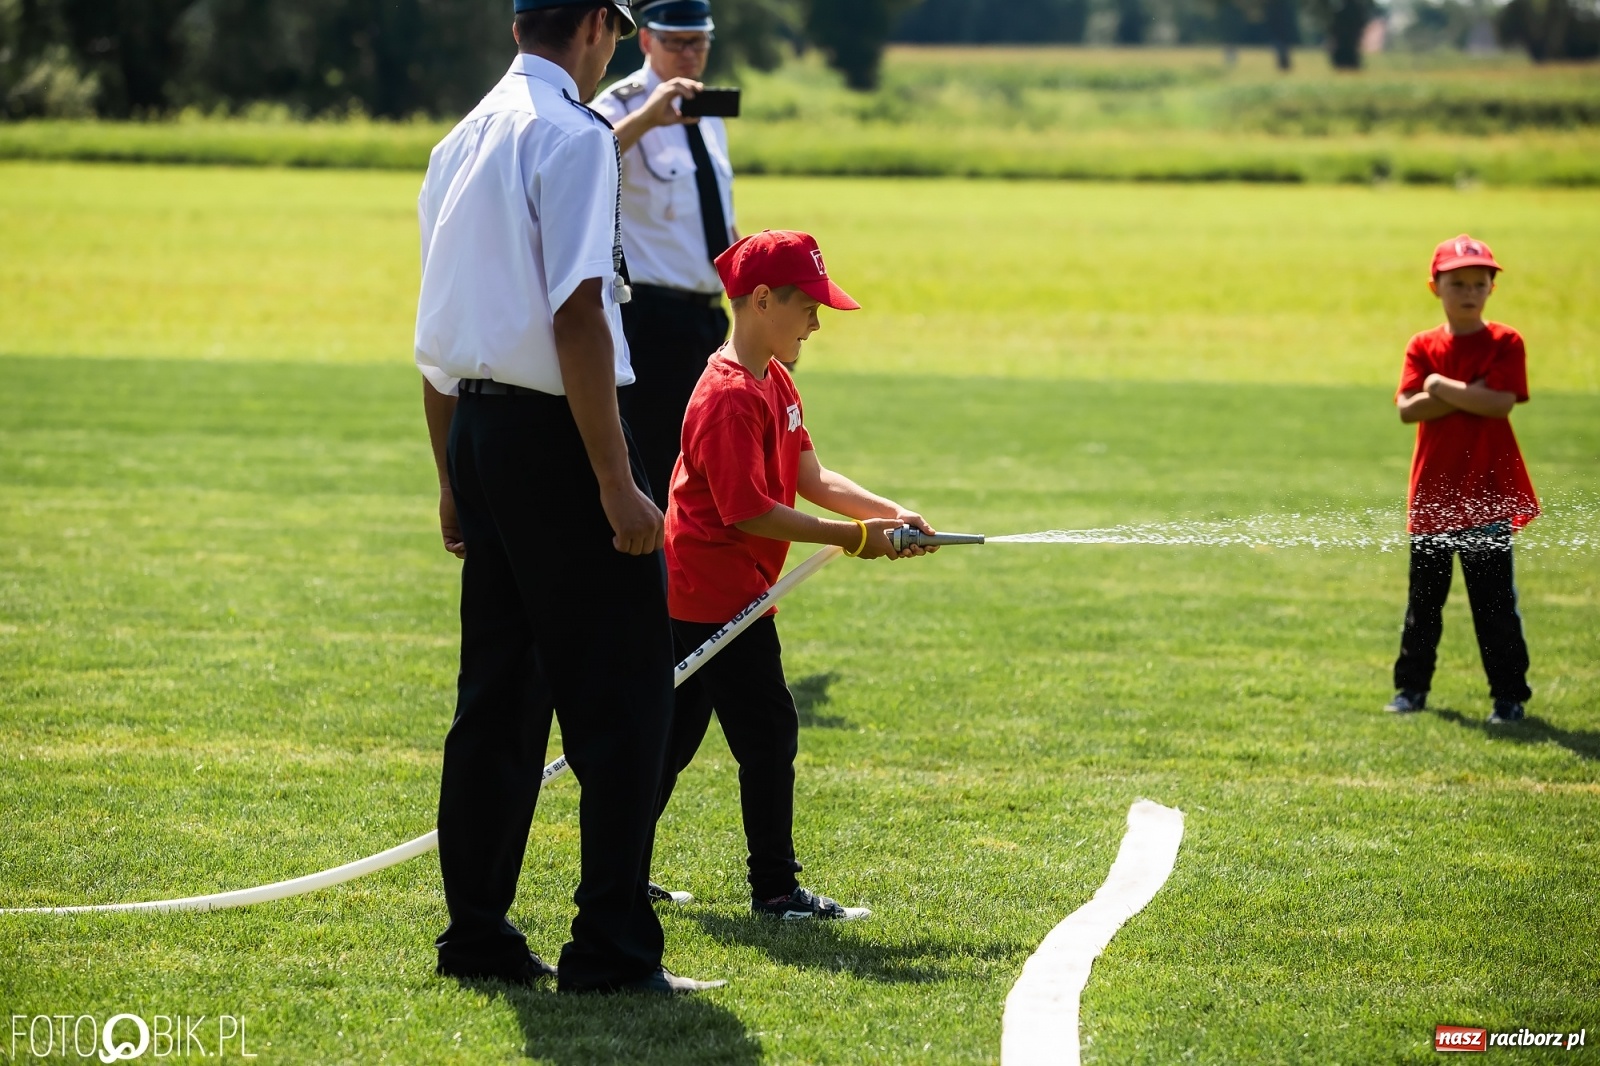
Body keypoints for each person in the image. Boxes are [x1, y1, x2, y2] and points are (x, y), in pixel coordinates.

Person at [415, 0, 721, 994]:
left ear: (518, 27)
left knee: (497, 700)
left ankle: (477, 936)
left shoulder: (459, 140)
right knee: (627, 698)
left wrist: (450, 476)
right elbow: (580, 311)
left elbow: (437, 331)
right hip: (559, 439)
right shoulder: (575, 135)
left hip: (478, 430)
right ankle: (611, 950)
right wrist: (616, 481)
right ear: (595, 25)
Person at [654, 229, 936, 920]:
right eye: (807, 307)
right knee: (767, 734)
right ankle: (776, 892)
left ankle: (623, 872)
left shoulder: (774, 378)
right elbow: (750, 512)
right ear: (761, 301)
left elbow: (811, 475)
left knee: (669, 741)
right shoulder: (728, 397)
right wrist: (855, 538)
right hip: (711, 592)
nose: (815, 322)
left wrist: (889, 513)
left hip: (729, 589)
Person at [1387, 234, 1539, 725]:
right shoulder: (1422, 345)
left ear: (1492, 287)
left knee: (1494, 606)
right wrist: (1468, 391)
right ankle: (1411, 689)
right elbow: (1408, 410)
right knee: (1424, 603)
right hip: (1433, 497)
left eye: (1479, 282)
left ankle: (1508, 696)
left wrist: (1439, 385)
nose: (1469, 292)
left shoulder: (1505, 342)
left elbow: (1500, 403)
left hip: (1486, 497)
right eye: (1457, 284)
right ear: (1435, 287)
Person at [592, 0, 737, 514]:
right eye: (676, 41)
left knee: (707, 469)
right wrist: (648, 120)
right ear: (647, 40)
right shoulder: (622, 104)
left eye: (698, 41)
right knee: (654, 466)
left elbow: (717, 216)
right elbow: (584, 160)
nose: (688, 53)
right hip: (650, 317)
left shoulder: (708, 111)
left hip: (708, 316)